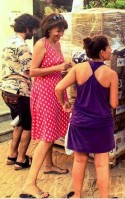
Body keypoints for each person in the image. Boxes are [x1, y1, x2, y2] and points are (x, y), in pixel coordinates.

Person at [55, 35, 118, 198]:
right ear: (103, 52)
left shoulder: (77, 69)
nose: (111, 50)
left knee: (79, 160)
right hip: (102, 123)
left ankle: (76, 195)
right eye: (109, 47)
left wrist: (64, 104)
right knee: (102, 163)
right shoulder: (111, 74)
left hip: (80, 121)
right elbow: (114, 104)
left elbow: (58, 88)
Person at [20, 13, 72, 198]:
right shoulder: (40, 44)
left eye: (63, 31)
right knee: (47, 136)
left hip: (56, 90)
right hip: (44, 93)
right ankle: (29, 184)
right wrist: (58, 68)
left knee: (50, 133)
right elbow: (33, 71)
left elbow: (56, 66)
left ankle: (48, 165)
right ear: (49, 28)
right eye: (59, 30)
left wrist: (66, 67)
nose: (61, 34)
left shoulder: (56, 43)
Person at [0, 14, 40, 170]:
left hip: (7, 90)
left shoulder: (8, 41)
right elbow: (31, 71)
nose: (35, 32)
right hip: (20, 91)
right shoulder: (22, 46)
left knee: (18, 123)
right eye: (34, 29)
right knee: (28, 126)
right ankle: (21, 159)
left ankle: (12, 155)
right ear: (27, 28)